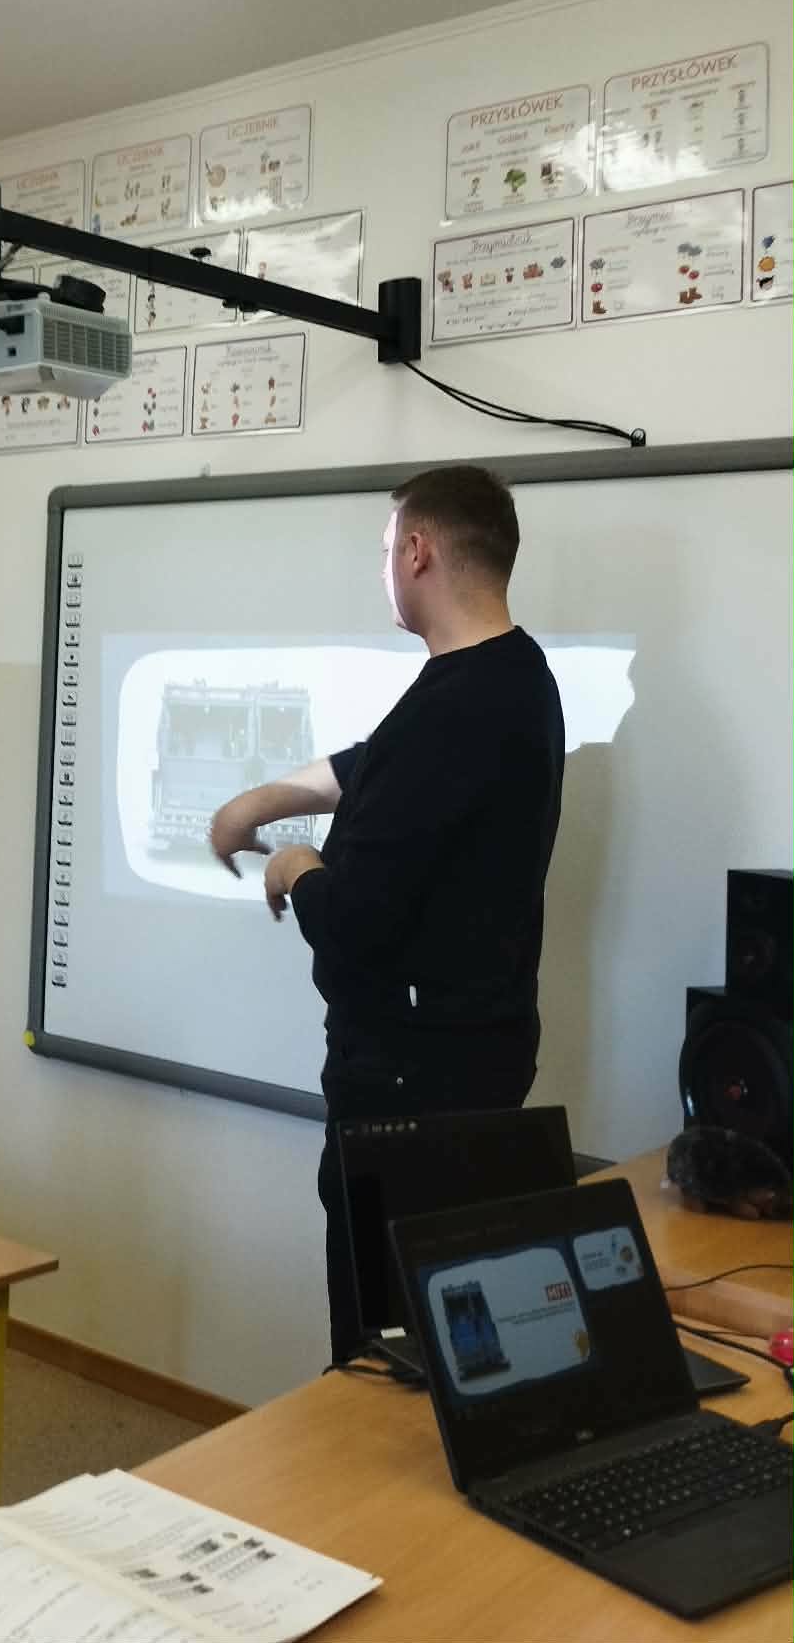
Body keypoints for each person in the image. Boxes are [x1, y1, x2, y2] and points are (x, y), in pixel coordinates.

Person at [209, 464, 564, 1364]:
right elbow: (381, 765)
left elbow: (355, 921)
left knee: (384, 1352)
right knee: (445, 1328)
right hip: (470, 1063)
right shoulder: (513, 674)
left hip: (409, 1091)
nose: (383, 571)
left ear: (418, 550)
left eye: (384, 551)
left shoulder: (457, 706)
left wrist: (295, 864)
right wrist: (264, 798)